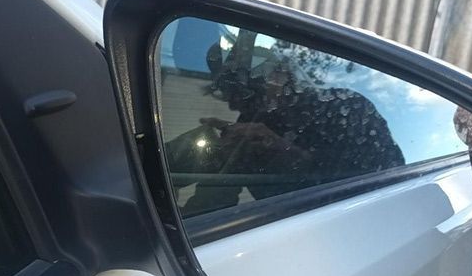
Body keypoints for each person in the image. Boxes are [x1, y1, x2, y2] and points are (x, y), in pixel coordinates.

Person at [166, 28, 405, 216]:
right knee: (203, 138)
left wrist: (285, 151)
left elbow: (390, 176)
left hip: (339, 230)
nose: (233, 107)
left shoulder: (348, 108)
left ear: (278, 76)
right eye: (228, 96)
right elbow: (217, 193)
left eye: (243, 94)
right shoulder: (251, 123)